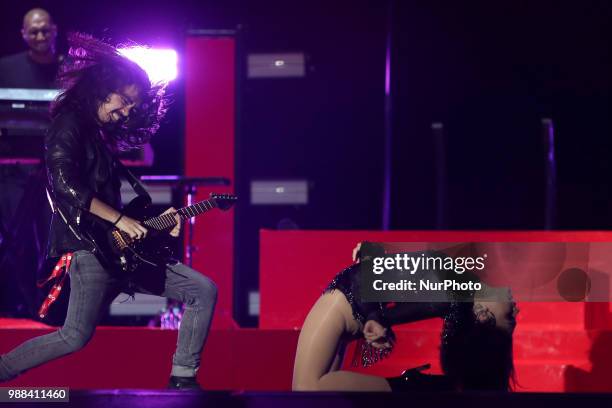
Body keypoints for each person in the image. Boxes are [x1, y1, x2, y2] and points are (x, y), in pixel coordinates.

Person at [0, 33, 217, 390]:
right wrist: (119, 219)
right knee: (74, 336)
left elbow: (121, 208)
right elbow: (65, 183)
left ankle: (183, 379)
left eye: (134, 105)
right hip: (90, 251)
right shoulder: (67, 124)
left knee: (202, 290)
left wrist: (161, 221)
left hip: (121, 252)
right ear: (104, 86)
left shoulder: (100, 135)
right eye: (125, 100)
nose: (128, 110)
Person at [292, 242, 519, 392]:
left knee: (309, 392)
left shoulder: (458, 302)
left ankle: (409, 385)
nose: (516, 308)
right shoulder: (454, 281)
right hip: (346, 302)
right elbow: (384, 267)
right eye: (511, 315)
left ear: (480, 317)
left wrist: (378, 317)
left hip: (350, 309)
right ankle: (410, 385)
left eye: (510, 316)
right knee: (309, 392)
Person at [0, 8, 62, 89]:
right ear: (24, 34)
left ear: (55, 30)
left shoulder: (73, 69)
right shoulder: (5, 68)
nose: (40, 37)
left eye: (45, 31)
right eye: (34, 32)